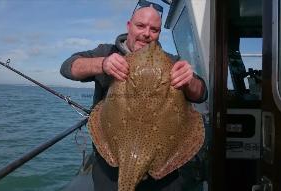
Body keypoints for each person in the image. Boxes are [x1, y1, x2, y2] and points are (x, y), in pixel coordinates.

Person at [60, 1, 208, 190]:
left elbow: (202, 93)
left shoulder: (172, 62)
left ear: (159, 33)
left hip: (162, 173)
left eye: (154, 29)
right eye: (140, 26)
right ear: (129, 26)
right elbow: (67, 67)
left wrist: (189, 80)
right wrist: (102, 64)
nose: (146, 34)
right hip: (110, 167)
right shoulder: (107, 52)